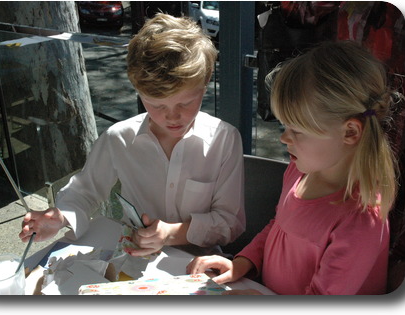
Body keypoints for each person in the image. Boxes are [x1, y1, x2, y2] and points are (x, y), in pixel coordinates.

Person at [19, 13, 245, 257]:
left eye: (185, 103)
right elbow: (85, 192)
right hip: (136, 258)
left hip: (199, 263)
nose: (172, 116)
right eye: (157, 105)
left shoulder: (224, 140)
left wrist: (171, 233)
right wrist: (60, 217)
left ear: (206, 81)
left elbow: (229, 223)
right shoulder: (119, 138)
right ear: (138, 91)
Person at [187, 40, 400, 295]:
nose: (283, 138)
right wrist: (242, 263)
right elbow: (279, 227)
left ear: (350, 131)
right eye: (284, 126)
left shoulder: (362, 217)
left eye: (296, 130)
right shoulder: (299, 171)